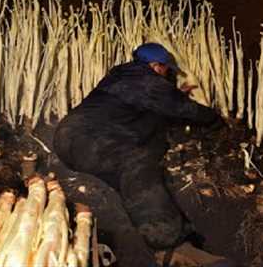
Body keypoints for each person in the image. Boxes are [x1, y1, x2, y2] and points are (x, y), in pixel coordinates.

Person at [53, 43, 233, 266]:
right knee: (137, 164)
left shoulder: (121, 77)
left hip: (71, 139)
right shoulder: (147, 81)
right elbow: (186, 109)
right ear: (157, 66)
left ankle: (177, 235)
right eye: (166, 69)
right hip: (89, 140)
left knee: (131, 174)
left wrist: (172, 98)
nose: (167, 74)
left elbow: (149, 114)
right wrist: (217, 120)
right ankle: (169, 248)